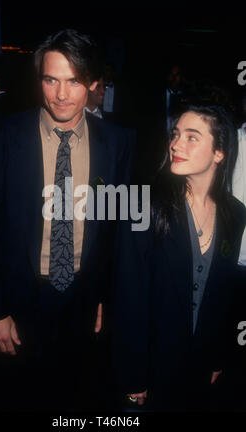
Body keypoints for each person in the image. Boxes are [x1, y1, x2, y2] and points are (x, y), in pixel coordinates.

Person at [0, 29, 134, 411]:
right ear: (39, 79)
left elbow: (116, 227)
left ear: (93, 83)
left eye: (73, 81)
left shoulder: (118, 141)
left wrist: (109, 297)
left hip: (84, 301)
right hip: (18, 299)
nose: (61, 94)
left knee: (76, 397)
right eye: (51, 79)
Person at [113, 101, 246, 411]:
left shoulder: (235, 214)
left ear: (219, 153)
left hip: (199, 367)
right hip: (151, 367)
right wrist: (133, 378)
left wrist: (216, 356)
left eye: (191, 136)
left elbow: (222, 295)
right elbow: (129, 300)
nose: (176, 144)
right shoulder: (142, 206)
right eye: (175, 134)